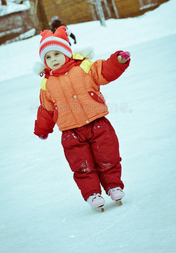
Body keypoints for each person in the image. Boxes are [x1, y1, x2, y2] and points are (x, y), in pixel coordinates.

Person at [34, 25, 131, 210]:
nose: (53, 59)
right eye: (48, 56)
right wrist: (42, 129)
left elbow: (103, 71)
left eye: (57, 54)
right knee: (82, 165)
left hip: (98, 124)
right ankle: (93, 194)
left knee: (108, 156)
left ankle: (114, 186)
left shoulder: (84, 67)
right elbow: (46, 109)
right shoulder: (47, 83)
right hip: (71, 133)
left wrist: (118, 61)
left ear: (66, 52)